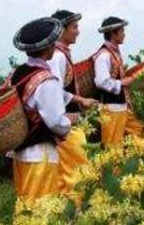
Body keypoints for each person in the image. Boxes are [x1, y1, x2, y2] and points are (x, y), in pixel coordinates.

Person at [9, 18, 75, 202]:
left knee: (25, 206)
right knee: (41, 210)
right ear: (48, 48)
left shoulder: (17, 73)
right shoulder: (46, 80)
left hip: (20, 151)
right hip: (40, 155)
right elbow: (56, 122)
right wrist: (69, 122)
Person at [47, 10, 97, 196]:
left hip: (67, 122)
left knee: (72, 169)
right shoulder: (57, 57)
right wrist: (78, 101)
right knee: (74, 172)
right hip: (64, 125)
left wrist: (80, 99)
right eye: (74, 27)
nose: (78, 31)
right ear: (61, 30)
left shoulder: (61, 54)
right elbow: (53, 92)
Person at [93, 17, 144, 147]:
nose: (124, 34)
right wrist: (123, 82)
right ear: (113, 33)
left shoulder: (114, 52)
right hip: (111, 109)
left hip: (122, 107)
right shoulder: (103, 55)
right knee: (113, 147)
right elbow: (101, 81)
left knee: (140, 132)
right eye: (122, 30)